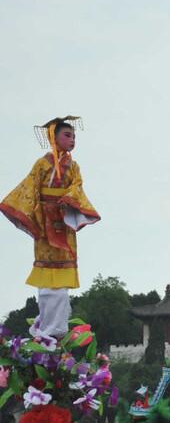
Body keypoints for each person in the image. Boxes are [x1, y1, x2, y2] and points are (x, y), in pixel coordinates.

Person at [1, 116, 100, 340]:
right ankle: (46, 326)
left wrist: (69, 198)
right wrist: (34, 215)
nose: (72, 139)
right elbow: (30, 189)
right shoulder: (42, 164)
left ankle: (57, 328)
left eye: (74, 136)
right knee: (46, 280)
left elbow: (78, 188)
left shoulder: (73, 167)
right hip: (46, 224)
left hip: (63, 222)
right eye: (67, 135)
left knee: (62, 282)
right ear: (53, 137)